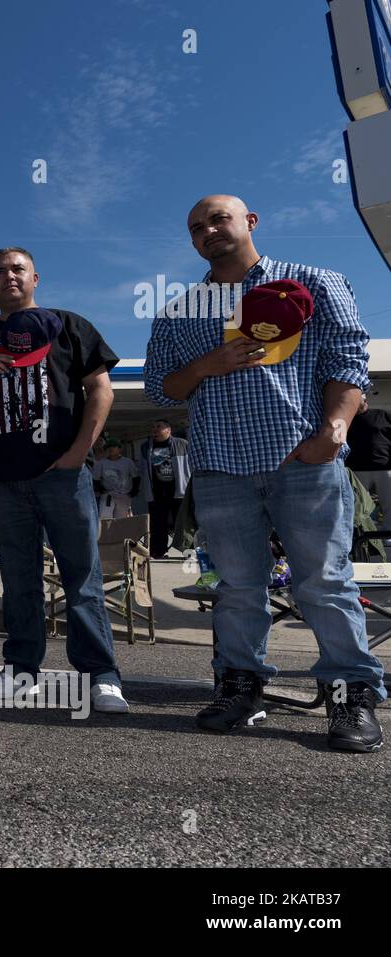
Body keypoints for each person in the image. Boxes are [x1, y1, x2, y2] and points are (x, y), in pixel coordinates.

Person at [146, 194, 384, 751]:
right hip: (220, 468)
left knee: (324, 580)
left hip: (299, 458)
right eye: (196, 226)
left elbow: (349, 360)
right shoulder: (180, 311)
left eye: (218, 219)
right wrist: (208, 364)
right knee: (236, 588)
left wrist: (334, 431)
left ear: (250, 221)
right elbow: (161, 386)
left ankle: (350, 693)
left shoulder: (315, 282)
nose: (208, 230)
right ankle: (239, 685)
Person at [0, 247, 127, 714]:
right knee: (18, 579)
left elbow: (100, 388)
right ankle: (22, 671)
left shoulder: (68, 326)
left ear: (35, 278)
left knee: (80, 574)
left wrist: (79, 452)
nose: (9, 276)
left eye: (17, 269)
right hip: (4, 480)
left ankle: (100, 676)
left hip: (62, 476)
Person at [137, 418, 191, 556]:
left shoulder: (182, 444)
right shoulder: (145, 447)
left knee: (183, 524)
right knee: (157, 524)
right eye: (153, 427)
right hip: (156, 493)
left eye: (159, 427)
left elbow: (190, 466)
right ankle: (157, 552)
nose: (155, 429)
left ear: (168, 429)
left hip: (179, 491)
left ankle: (188, 551)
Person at [347, 392, 391, 521]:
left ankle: (388, 537)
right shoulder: (346, 419)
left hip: (384, 468)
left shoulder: (382, 415)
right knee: (359, 506)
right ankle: (363, 535)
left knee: (389, 504)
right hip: (357, 469)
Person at [93, 438, 139, 519]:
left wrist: (134, 490)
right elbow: (96, 479)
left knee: (122, 519)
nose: (110, 448)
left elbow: (136, 477)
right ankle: (106, 532)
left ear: (119, 449)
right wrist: (101, 490)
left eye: (113, 446)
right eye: (108, 447)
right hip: (108, 495)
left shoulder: (128, 462)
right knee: (105, 519)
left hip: (124, 495)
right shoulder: (101, 463)